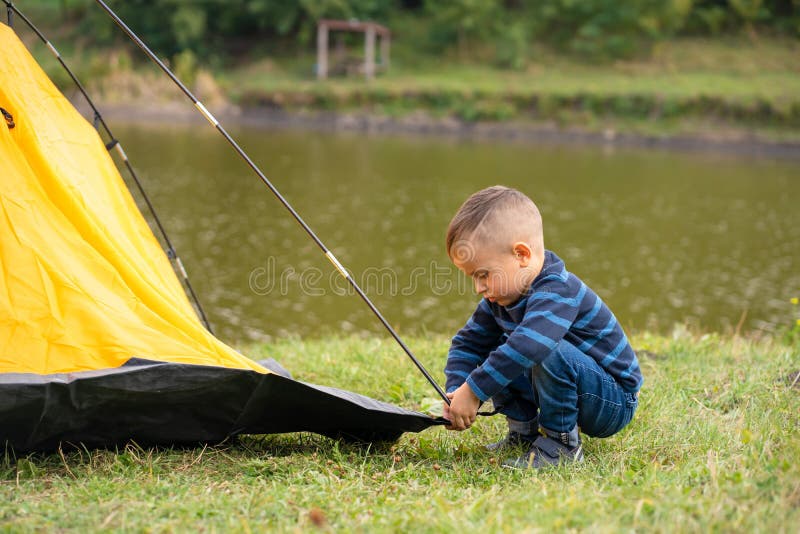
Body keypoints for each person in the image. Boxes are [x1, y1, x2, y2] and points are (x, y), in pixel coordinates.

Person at [442, 186, 642, 469]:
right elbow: (467, 344)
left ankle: (561, 446)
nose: (478, 288)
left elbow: (530, 346)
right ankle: (524, 433)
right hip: (577, 388)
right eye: (472, 277)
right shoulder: (501, 299)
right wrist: (457, 391)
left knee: (540, 348)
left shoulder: (557, 290)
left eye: (483, 274)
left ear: (521, 254)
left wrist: (475, 390)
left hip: (611, 400)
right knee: (499, 350)